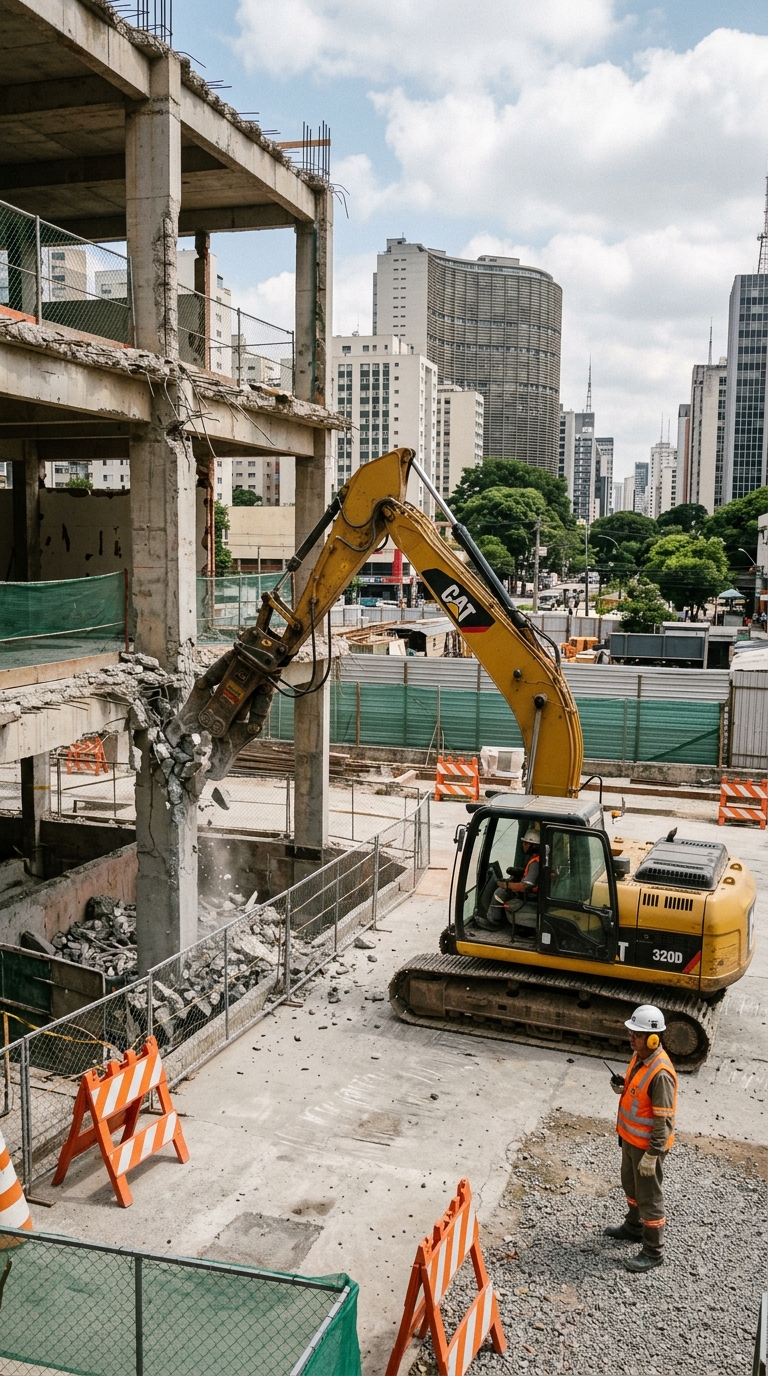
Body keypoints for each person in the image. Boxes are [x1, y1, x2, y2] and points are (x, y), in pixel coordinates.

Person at [604, 1005, 677, 1273]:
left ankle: (653, 1252)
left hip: (647, 1148)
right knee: (631, 1186)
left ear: (653, 1039)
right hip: (630, 1140)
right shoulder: (639, 1057)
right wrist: (623, 1084)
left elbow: (663, 1121)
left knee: (649, 1197)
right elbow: (638, 1092)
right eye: (631, 1032)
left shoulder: (661, 1074)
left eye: (636, 1034)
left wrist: (653, 1154)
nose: (630, 1038)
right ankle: (633, 1228)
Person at [481, 824, 540, 939]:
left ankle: (493, 921)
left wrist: (506, 885)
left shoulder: (536, 863)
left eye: (526, 843)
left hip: (530, 896)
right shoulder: (536, 859)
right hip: (532, 894)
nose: (523, 845)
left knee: (500, 892)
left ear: (533, 846)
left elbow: (525, 886)